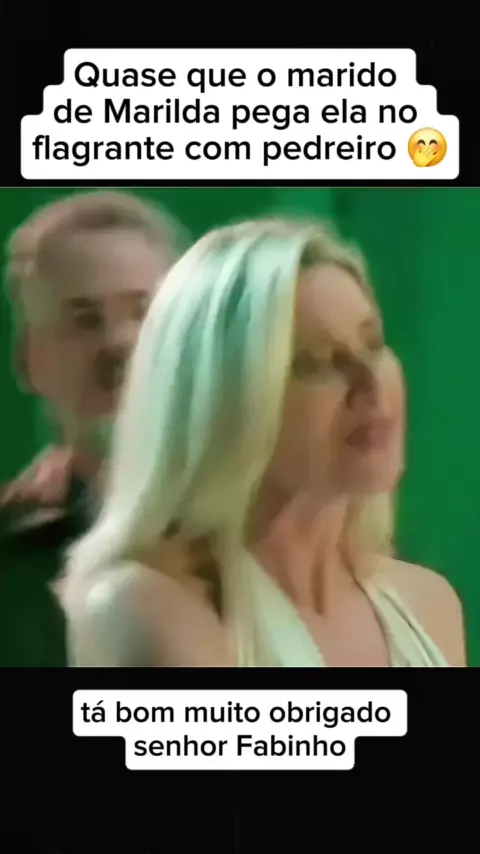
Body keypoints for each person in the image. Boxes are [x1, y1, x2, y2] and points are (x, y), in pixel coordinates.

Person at [63, 218, 466, 667]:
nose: (369, 383)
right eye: (314, 362)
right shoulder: (150, 610)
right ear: (223, 401)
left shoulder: (430, 604)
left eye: (372, 343)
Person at [0, 190, 184, 666]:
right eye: (84, 320)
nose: (119, 341)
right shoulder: (12, 563)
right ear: (29, 362)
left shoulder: (277, 529)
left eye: (143, 311)